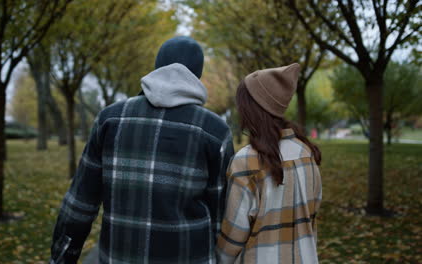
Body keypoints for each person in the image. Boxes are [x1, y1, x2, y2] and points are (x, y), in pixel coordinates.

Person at [49, 36, 234, 264]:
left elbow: (80, 202)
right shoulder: (215, 130)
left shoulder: (110, 119)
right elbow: (220, 213)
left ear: (156, 66)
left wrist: (63, 256)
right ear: (198, 74)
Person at [216, 64, 322, 264]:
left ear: (251, 108)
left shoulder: (246, 161)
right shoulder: (306, 152)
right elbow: (312, 215)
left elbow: (233, 236)